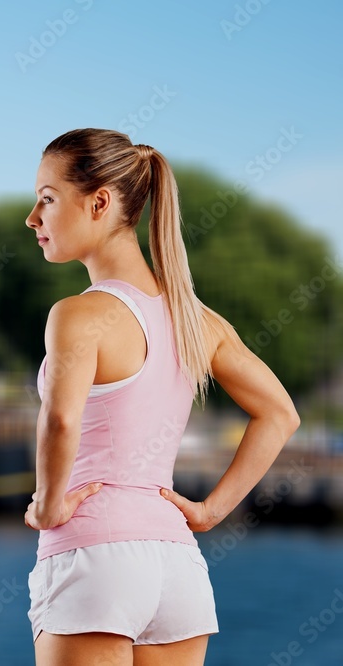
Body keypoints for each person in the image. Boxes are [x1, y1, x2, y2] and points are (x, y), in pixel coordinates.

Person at [21, 128, 300, 666]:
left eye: (47, 199)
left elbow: (60, 421)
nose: (33, 218)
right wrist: (210, 511)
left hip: (93, 559)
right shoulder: (198, 320)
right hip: (177, 567)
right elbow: (280, 414)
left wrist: (49, 503)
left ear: (99, 202)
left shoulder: (77, 315)